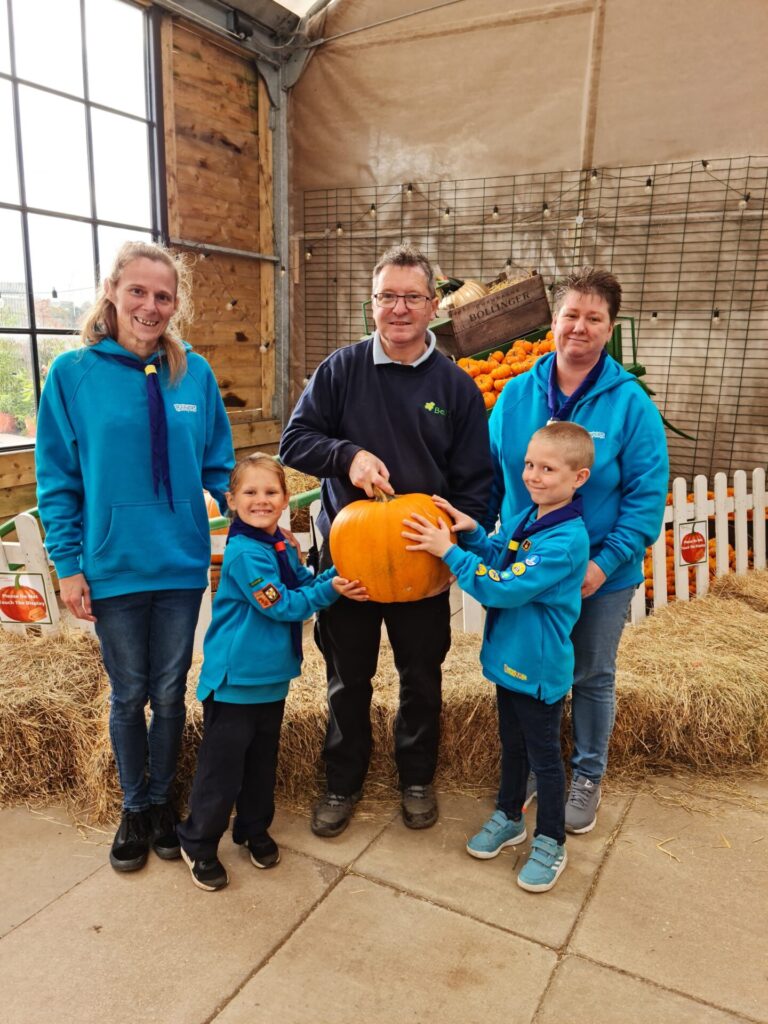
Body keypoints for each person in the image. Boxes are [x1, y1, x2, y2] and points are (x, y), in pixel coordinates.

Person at [279, 243, 494, 836]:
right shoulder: (341, 370)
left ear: (433, 305)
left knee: (421, 675)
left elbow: (479, 483)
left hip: (423, 560)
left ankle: (417, 777)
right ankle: (342, 781)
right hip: (349, 558)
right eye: (387, 297)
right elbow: (294, 442)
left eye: (411, 297)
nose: (399, 309)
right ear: (371, 304)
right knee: (348, 676)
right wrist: (345, 456)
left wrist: (460, 537)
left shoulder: (455, 387)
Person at [35, 240, 234, 873]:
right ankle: (136, 805)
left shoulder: (193, 374)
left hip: (178, 562)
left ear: (178, 304)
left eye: (164, 295)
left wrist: (265, 514)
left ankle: (163, 798)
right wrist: (69, 566)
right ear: (114, 293)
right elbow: (58, 479)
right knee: (129, 694)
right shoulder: (73, 374)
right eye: (139, 292)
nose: (151, 306)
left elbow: (219, 465)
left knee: (172, 692)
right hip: (112, 564)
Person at [486, 267, 668, 834]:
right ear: (554, 321)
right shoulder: (516, 395)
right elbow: (493, 479)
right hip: (531, 570)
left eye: (594, 318)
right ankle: (542, 770)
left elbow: (646, 497)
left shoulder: (629, 404)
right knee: (531, 671)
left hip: (597, 574)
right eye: (571, 315)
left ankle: (586, 773)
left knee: (590, 674)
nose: (579, 328)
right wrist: (485, 543)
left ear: (609, 328)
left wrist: (602, 563)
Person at [402, 421, 592, 892]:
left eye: (548, 468)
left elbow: (501, 588)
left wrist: (449, 553)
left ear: (579, 478)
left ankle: (550, 841)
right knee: (513, 744)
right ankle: (510, 816)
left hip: (538, 668)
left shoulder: (565, 542)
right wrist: (470, 535)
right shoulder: (533, 516)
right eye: (530, 464)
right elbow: (504, 558)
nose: (533, 475)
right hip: (510, 660)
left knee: (545, 760)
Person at [177, 454, 368, 891]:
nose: (260, 500)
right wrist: (330, 592)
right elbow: (282, 604)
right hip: (234, 683)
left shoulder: (280, 544)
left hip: (270, 679)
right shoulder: (245, 552)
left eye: (270, 492)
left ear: (285, 500)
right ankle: (199, 840)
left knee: (261, 763)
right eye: (250, 492)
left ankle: (252, 827)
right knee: (221, 770)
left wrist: (343, 569)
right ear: (231, 500)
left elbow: (301, 580)